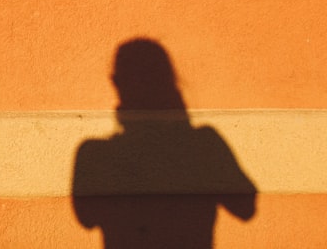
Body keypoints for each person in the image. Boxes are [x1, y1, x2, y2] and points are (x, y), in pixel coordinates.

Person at [72, 39, 256, 248]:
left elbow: (86, 218)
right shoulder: (204, 143)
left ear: (116, 82)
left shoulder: (95, 154)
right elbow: (245, 208)